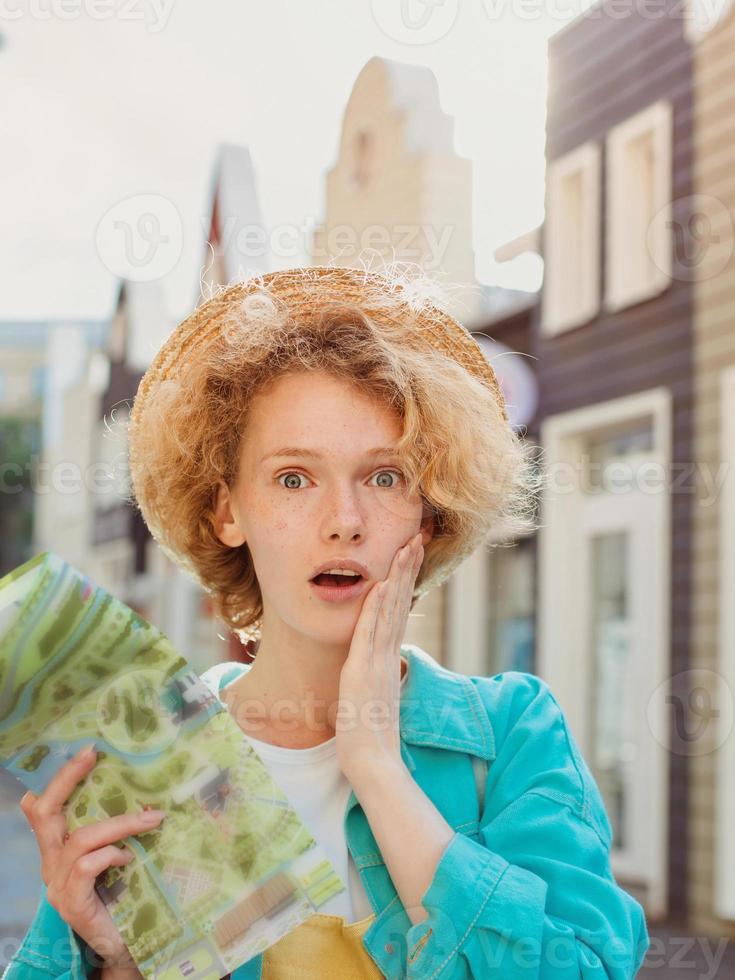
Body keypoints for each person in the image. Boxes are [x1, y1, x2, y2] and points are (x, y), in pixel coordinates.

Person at [6, 265, 650, 979]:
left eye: (384, 476)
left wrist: (375, 766)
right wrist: (117, 961)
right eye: (292, 478)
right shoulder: (153, 755)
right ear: (227, 512)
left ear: (429, 512)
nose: (343, 522)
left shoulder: (511, 735)